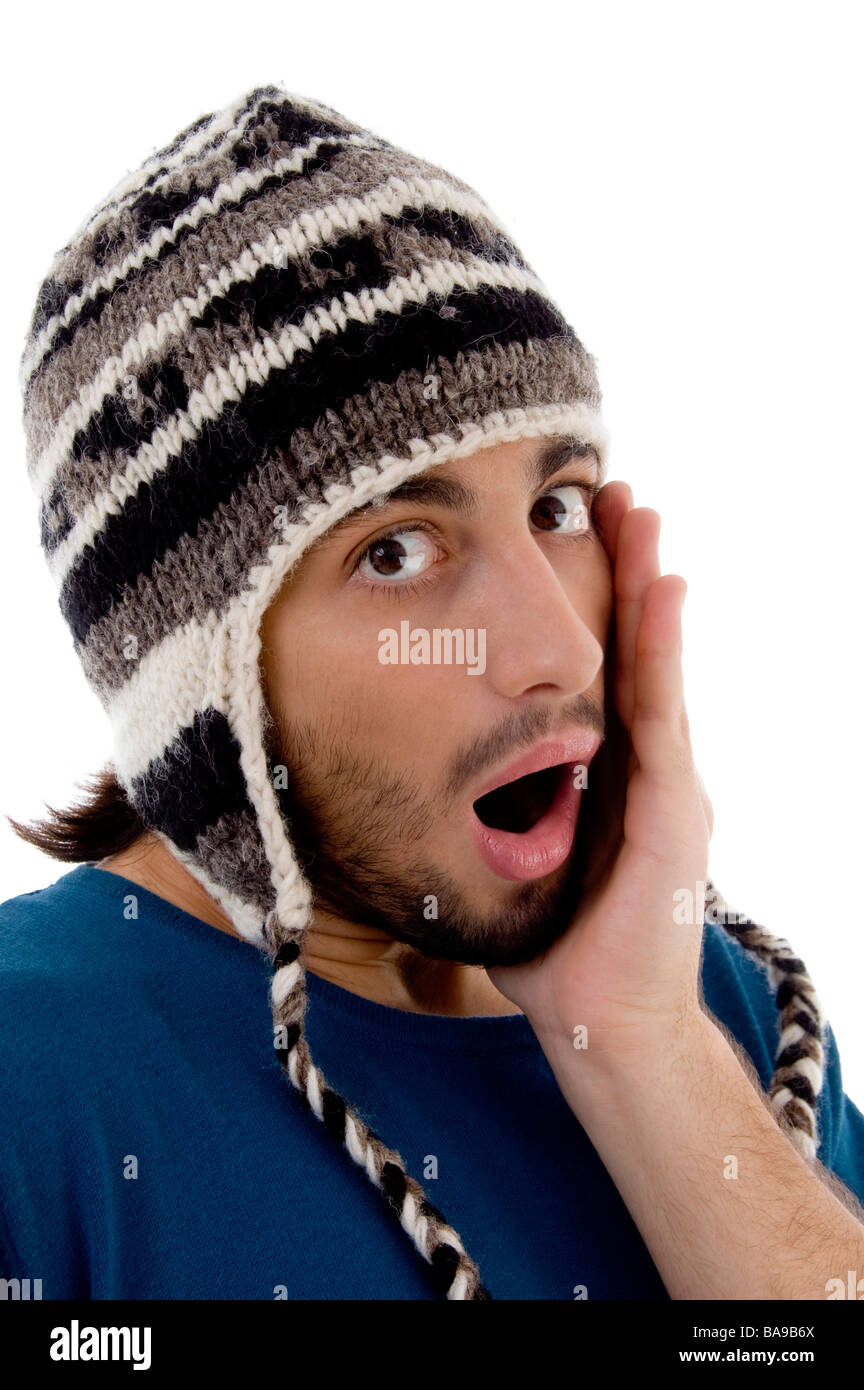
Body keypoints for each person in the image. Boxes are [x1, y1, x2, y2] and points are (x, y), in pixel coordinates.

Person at [2, 83, 863, 1302]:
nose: (559, 648)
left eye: (555, 507)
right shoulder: (28, 1079)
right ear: (196, 682)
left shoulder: (706, 998)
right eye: (396, 550)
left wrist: (640, 1048)